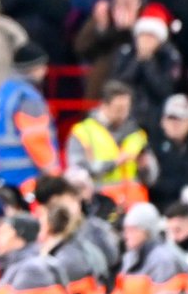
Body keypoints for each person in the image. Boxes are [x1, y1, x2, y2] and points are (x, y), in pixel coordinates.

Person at [65, 80, 156, 209]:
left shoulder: (137, 133)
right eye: (118, 109)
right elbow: (77, 172)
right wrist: (115, 162)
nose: (123, 114)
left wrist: (144, 166)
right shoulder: (83, 132)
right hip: (99, 204)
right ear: (104, 105)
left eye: (126, 108)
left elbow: (152, 177)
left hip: (134, 205)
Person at [0, 42, 60, 194]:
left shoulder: (3, 93)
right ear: (33, 67)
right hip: (28, 177)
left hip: (4, 173)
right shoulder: (28, 98)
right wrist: (54, 175)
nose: (45, 71)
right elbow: (35, 139)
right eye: (43, 66)